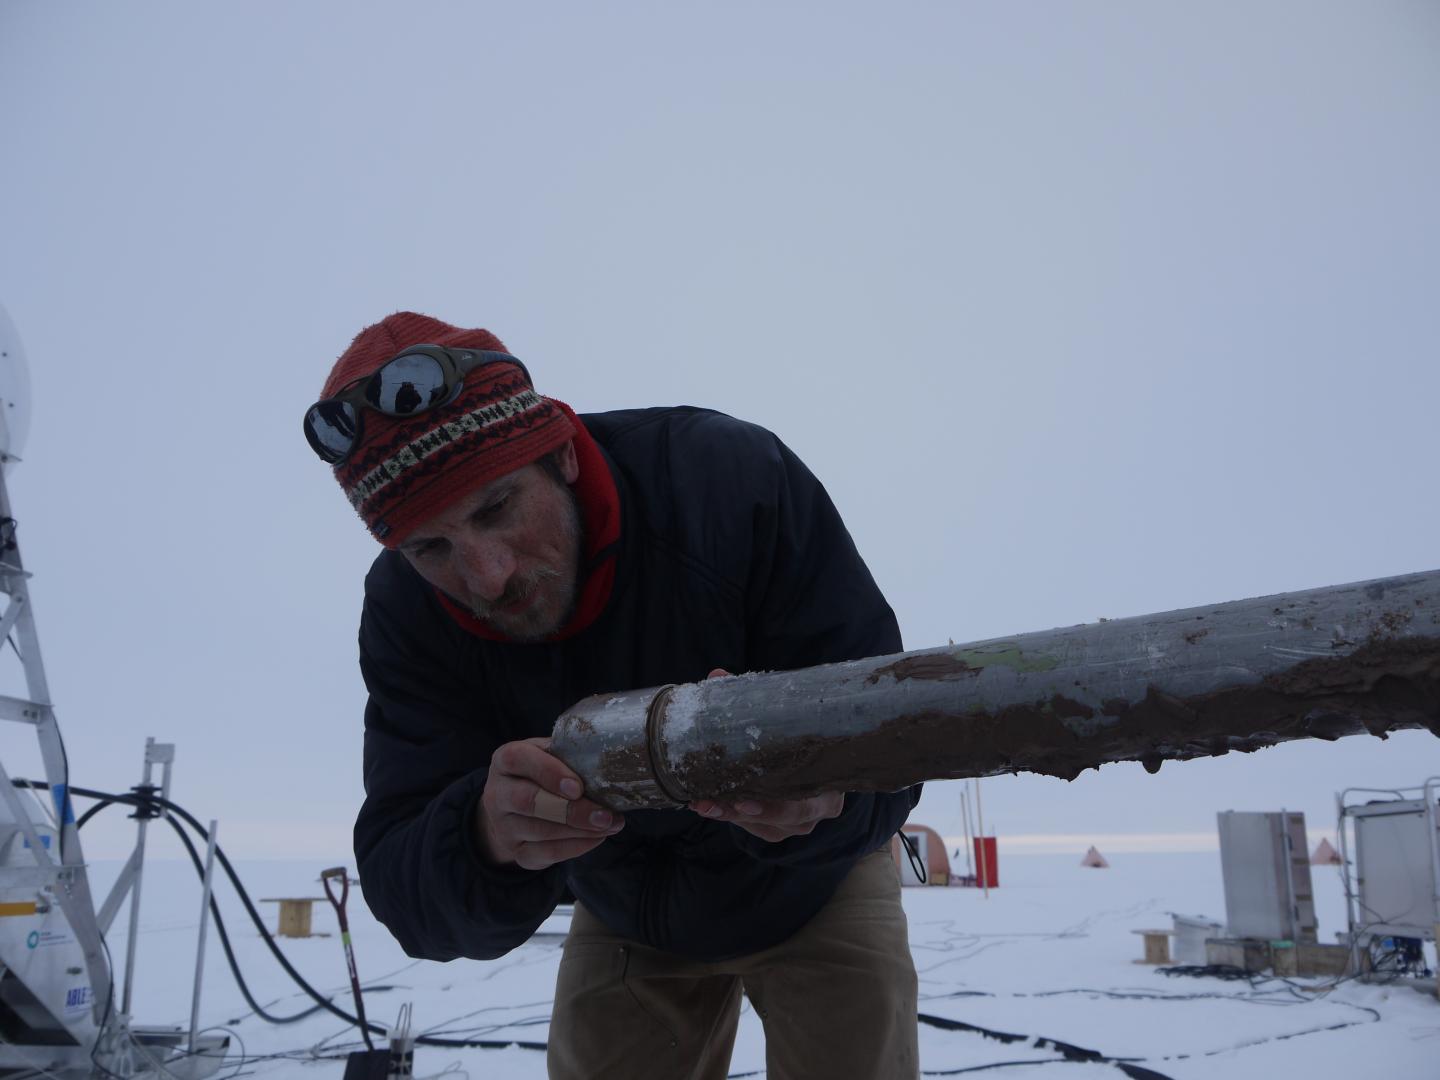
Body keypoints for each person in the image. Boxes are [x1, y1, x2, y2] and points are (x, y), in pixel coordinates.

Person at [305, 311, 921, 1079]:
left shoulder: (731, 483)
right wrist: (487, 836)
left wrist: (825, 798)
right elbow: (403, 877)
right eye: (433, 548)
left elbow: (889, 743)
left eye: (497, 508)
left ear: (562, 454)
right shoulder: (407, 608)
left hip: (816, 876)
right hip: (622, 899)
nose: (488, 577)